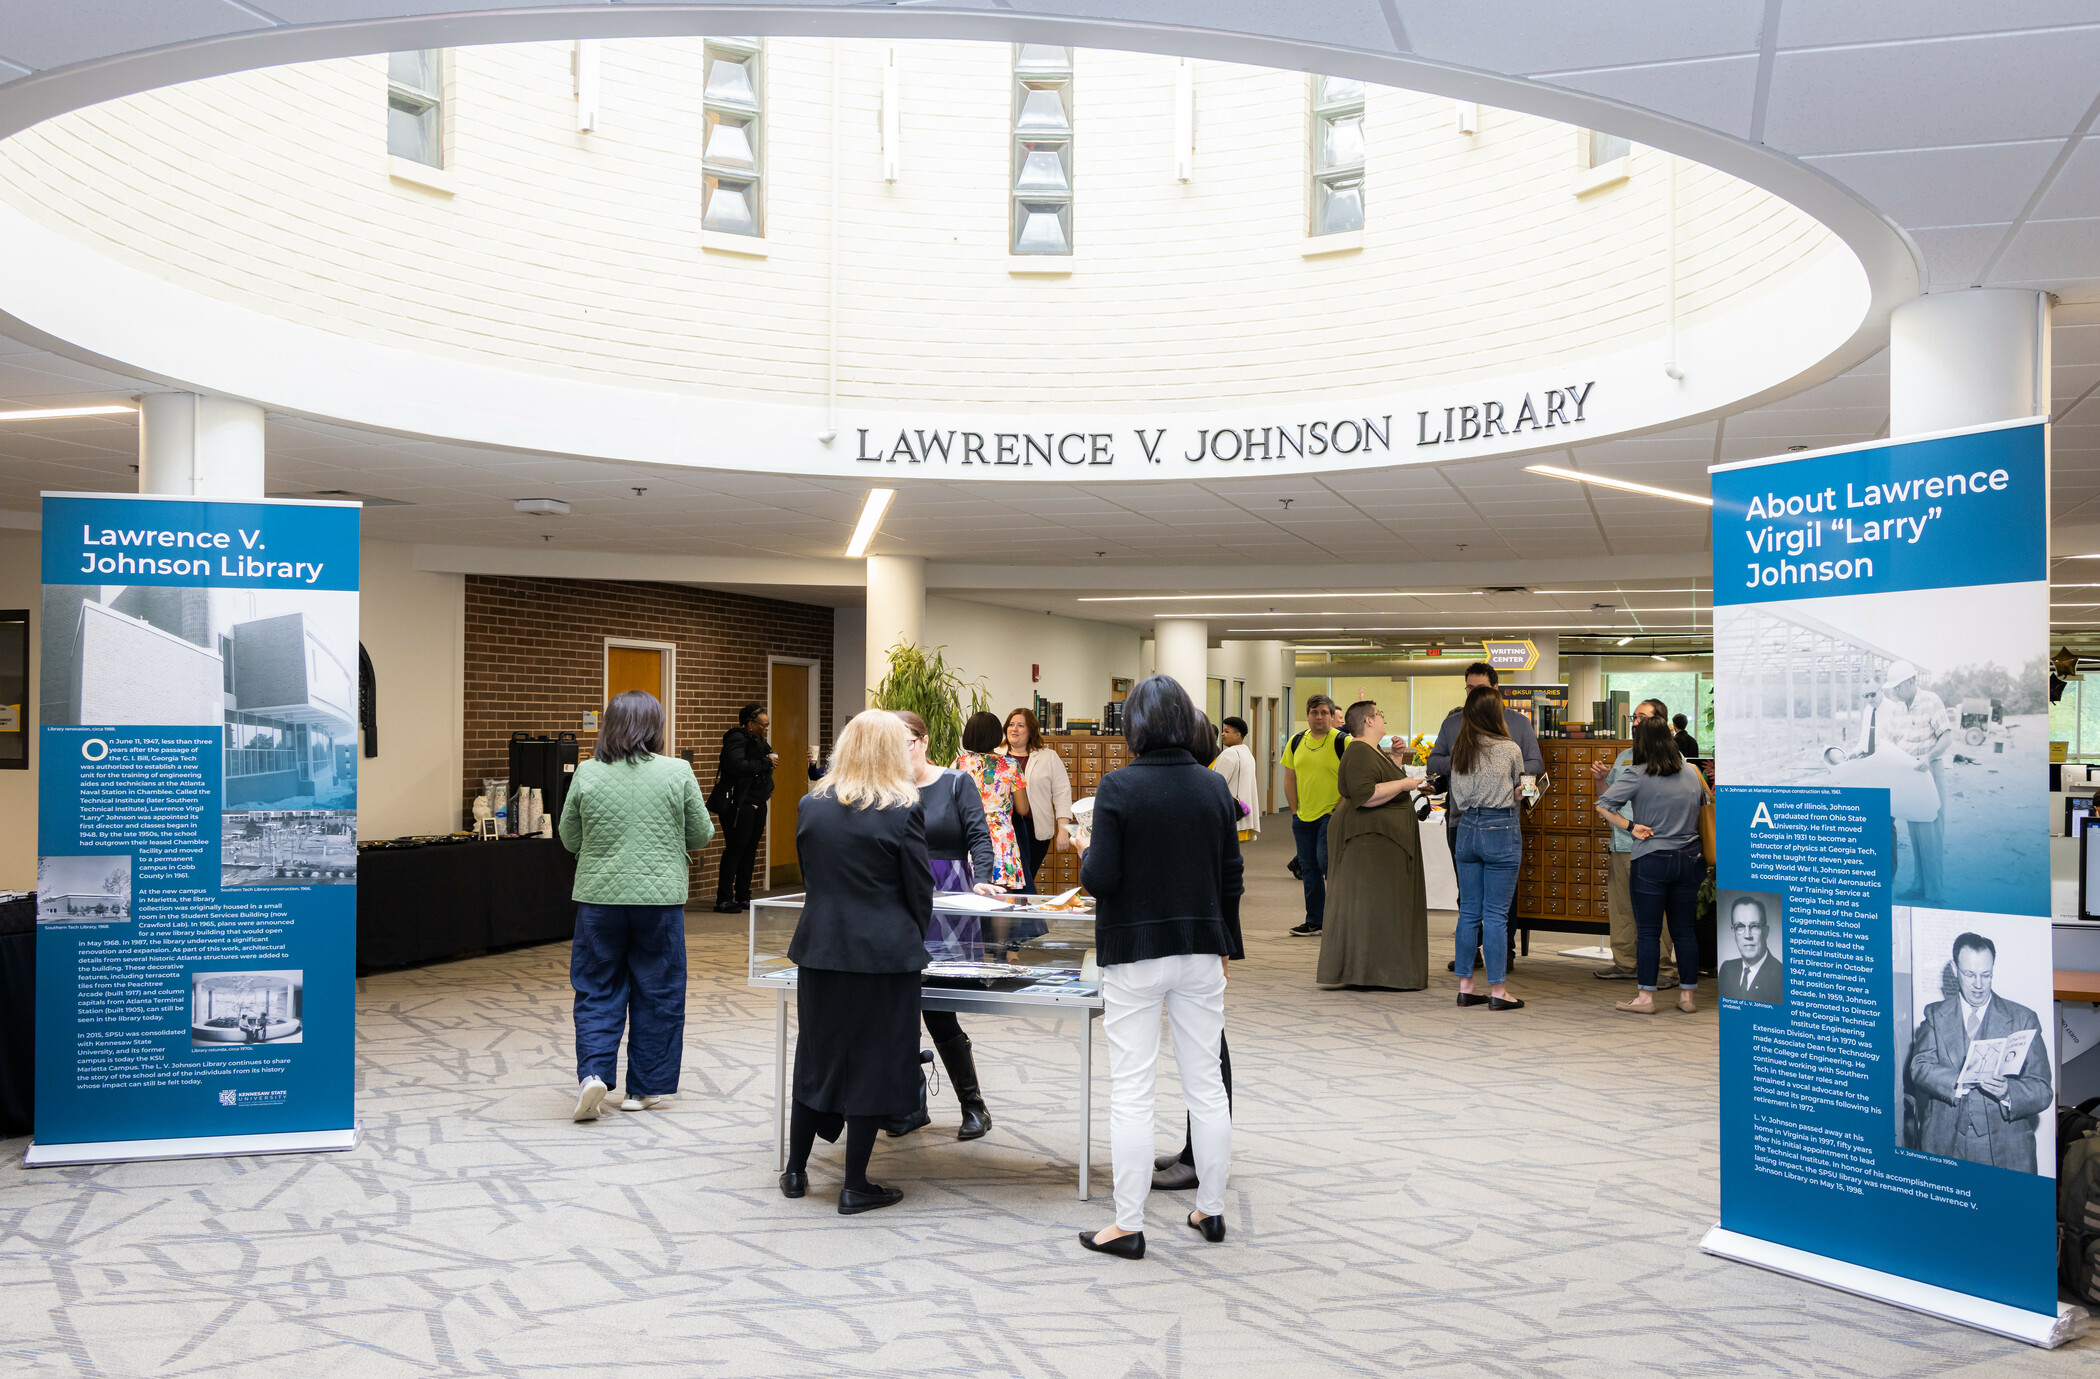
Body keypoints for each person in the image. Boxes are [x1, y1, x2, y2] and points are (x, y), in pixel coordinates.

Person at [1075, 675, 1240, 1259]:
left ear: (1135, 726)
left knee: (1132, 1089)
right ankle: (1211, 1210)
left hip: (1135, 952)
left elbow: (1101, 878)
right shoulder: (1213, 786)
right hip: (1202, 949)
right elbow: (1231, 876)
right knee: (1206, 1086)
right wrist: (1226, 946)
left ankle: (1128, 1224)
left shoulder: (1119, 786)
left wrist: (1084, 849)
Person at [779, 709, 933, 1214]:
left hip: (821, 949)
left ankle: (795, 1170)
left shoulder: (810, 806)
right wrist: (909, 935)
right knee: (873, 1062)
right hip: (882, 956)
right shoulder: (902, 810)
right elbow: (919, 890)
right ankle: (855, 1185)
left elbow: (811, 877)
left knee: (817, 1055)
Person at [557, 690, 714, 1121]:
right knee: (659, 990)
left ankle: (593, 1074)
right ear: (655, 726)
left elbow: (569, 838)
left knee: (596, 987)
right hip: (659, 902)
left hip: (598, 900)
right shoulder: (678, 771)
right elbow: (701, 835)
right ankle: (642, 1089)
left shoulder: (587, 772)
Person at [888, 709, 1000, 1141]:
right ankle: (909, 1105)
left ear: (924, 741)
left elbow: (979, 837)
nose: (900, 751)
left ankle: (974, 1106)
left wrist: (982, 880)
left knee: (937, 1006)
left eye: (906, 742)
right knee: (898, 1005)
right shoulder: (888, 787)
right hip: (899, 895)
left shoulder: (956, 782)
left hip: (948, 896)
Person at [1153, 707, 1245, 1193]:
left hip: (1199, 936)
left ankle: (1200, 1158)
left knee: (1208, 1055)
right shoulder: (1206, 787)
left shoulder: (1199, 789)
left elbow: (1226, 873)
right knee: (1207, 1051)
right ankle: (1195, 1150)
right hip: (1206, 932)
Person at [1427, 663, 1546, 971]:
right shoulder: (1454, 724)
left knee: (1500, 897)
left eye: (1479, 689)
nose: (1473, 694)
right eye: (1469, 688)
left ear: (1495, 690)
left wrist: (1477, 761)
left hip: (1497, 820)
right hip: (1463, 820)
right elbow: (1434, 761)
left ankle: (1503, 952)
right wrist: (1468, 760)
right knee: (1471, 897)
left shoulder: (1517, 724)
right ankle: (1476, 957)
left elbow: (1535, 763)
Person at [1906, 932, 2050, 1173]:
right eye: (1969, 974)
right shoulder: (1935, 1015)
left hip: (2006, 1149)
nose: (1979, 985)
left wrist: (2008, 1092)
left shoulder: (2023, 1019)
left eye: (1986, 975)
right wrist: (1957, 1081)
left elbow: (2042, 1090)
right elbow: (1919, 1067)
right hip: (1944, 1144)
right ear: (1955, 970)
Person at [1595, 718, 1710, 1015]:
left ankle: (1645, 998)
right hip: (1690, 858)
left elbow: (1603, 805)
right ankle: (1687, 997)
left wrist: (1631, 826)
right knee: (1684, 930)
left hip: (1651, 858)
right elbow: (1706, 804)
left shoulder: (1637, 774)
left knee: (1648, 931)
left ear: (1641, 743)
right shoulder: (1691, 772)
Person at [1317, 701, 1430, 991]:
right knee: (1371, 906)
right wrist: (1405, 784)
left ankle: (1380, 969)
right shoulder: (1358, 750)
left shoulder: (1371, 750)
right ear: (1368, 721)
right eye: (1379, 714)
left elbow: (1380, 782)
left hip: (1379, 840)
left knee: (1381, 907)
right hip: (1368, 841)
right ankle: (1369, 971)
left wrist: (1395, 759)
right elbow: (1365, 795)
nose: (1382, 718)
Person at [1446, 686, 1526, 1011]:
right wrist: (1517, 793)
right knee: (1495, 915)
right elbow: (1520, 790)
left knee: (1469, 912)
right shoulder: (1510, 748)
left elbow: (1459, 796)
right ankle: (1498, 991)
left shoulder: (1460, 750)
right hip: (1500, 828)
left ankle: (1466, 987)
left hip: (1467, 826)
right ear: (1496, 714)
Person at [1587, 699, 1676, 984]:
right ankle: (1625, 963)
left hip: (1653, 845)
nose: (1635, 723)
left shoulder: (1673, 759)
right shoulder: (1624, 756)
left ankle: (1663, 968)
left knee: (1656, 911)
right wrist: (1600, 779)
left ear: (1658, 721)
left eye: (1641, 717)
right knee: (1622, 908)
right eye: (1634, 718)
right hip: (1622, 844)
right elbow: (1607, 798)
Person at [1877, 659, 1951, 903]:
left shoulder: (1931, 701)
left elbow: (1946, 737)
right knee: (1916, 833)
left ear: (1911, 682)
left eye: (1899, 687)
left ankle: (1935, 893)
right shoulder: (1898, 710)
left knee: (1931, 834)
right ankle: (1919, 886)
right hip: (1909, 775)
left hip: (1929, 771)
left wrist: (1929, 756)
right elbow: (1890, 743)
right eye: (1893, 688)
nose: (1895, 692)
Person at [1282, 694, 1350, 938]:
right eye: (1314, 712)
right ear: (1307, 716)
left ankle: (1341, 918)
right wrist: (1294, 811)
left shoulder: (1344, 741)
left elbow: (1354, 779)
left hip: (1331, 815)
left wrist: (1336, 810)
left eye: (1324, 712)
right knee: (1309, 868)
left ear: (1332, 716)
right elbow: (1290, 778)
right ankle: (1315, 920)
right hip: (1303, 817)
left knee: (1326, 863)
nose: (1318, 717)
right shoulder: (1296, 741)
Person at [953, 710, 1027, 893]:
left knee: (966, 896)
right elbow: (1023, 809)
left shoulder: (959, 764)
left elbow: (950, 802)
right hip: (1001, 838)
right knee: (1001, 898)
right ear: (996, 735)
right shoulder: (1011, 765)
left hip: (968, 834)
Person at [713, 704, 777, 913]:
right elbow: (737, 765)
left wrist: (768, 786)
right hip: (739, 803)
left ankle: (743, 895)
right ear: (750, 723)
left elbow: (760, 766)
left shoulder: (758, 740)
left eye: (768, 725)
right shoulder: (736, 739)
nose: (766, 728)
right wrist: (766, 762)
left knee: (750, 849)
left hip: (757, 801)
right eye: (763, 725)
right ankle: (724, 899)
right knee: (735, 849)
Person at [1001, 707, 1073, 892]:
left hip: (1035, 830)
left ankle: (1021, 909)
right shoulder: (996, 755)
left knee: (1026, 880)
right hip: (1003, 830)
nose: (1014, 729)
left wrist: (1063, 830)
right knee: (1007, 883)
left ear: (1031, 730)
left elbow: (1062, 793)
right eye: (1011, 724)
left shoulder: (1048, 757)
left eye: (1020, 725)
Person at [1719, 896, 1783, 1003]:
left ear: (1766, 932)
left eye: (1754, 926)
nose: (1747, 935)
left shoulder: (1782, 976)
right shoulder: (1727, 969)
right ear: (1733, 933)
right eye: (1740, 926)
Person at [1212, 716, 1261, 844]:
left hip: (1231, 817)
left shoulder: (1230, 754)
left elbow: (1215, 785)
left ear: (1238, 735)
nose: (1222, 734)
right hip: (1243, 817)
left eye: (1227, 731)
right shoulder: (1248, 753)